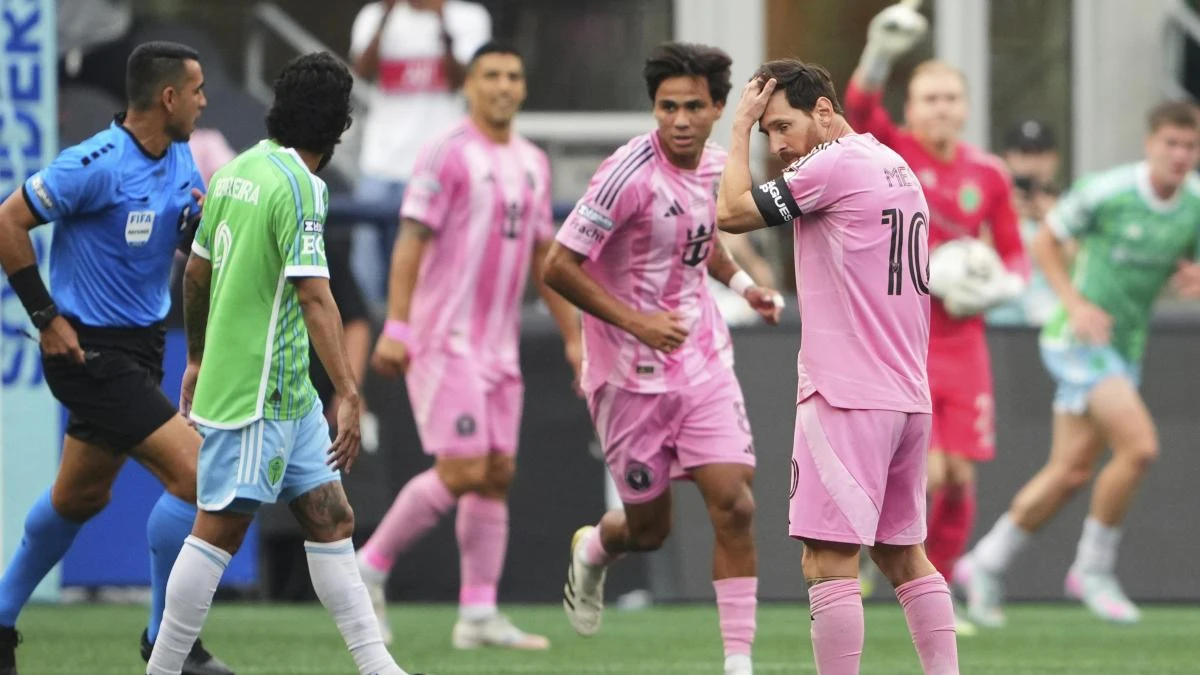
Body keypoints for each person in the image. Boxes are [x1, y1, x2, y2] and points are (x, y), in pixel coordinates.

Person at [145, 52, 412, 675]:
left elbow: (197, 272)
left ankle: (379, 669)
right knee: (220, 527)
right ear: (341, 126)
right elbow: (316, 296)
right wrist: (348, 390)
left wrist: (195, 358)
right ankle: (161, 668)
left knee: (332, 517)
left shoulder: (238, 170)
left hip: (285, 394)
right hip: (256, 393)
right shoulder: (301, 187)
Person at [546, 43, 784, 675]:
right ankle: (596, 548)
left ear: (714, 110)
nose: (679, 119)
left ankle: (738, 664)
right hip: (627, 375)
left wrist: (743, 288)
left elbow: (701, 245)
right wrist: (636, 323)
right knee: (650, 532)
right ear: (655, 108)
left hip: (702, 360)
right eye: (666, 107)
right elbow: (557, 267)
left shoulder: (714, 170)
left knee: (735, 504)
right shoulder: (626, 174)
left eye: (692, 107)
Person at [717, 58, 959, 675]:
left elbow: (731, 211)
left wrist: (738, 124)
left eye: (782, 125)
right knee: (904, 555)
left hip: (847, 395)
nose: (778, 143)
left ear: (824, 110)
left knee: (827, 562)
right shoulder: (894, 163)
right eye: (767, 131)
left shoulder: (834, 164)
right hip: (906, 395)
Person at [0, 42, 232, 675]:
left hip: (142, 346)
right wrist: (46, 318)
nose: (205, 100)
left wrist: (199, 227)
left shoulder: (181, 154)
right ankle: (168, 644)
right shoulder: (93, 164)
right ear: (168, 98)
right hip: (90, 353)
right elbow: (7, 221)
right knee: (197, 476)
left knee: (80, 496)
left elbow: (185, 225)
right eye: (199, 89)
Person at [356, 42, 580, 650]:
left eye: (513, 75)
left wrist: (573, 339)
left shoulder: (534, 161)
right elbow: (409, 239)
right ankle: (365, 571)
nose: (503, 85)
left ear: (524, 88)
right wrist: (397, 327)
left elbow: (544, 257)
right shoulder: (446, 152)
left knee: (496, 473)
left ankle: (478, 615)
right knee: (461, 467)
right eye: (491, 76)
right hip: (442, 338)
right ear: (470, 86)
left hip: (499, 346)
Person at [957, 101, 1200, 627]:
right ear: (1150, 145)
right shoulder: (1107, 191)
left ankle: (985, 562)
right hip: (1075, 339)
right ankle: (1092, 570)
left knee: (1069, 473)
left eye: (1190, 145)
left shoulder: (1194, 204)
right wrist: (1075, 302)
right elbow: (1046, 241)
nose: (1180, 155)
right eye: (1171, 144)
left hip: (1124, 347)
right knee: (1140, 448)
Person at [844, 1, 1029, 626]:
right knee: (927, 472)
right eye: (929, 98)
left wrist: (993, 290)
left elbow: (1015, 259)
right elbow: (858, 113)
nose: (941, 108)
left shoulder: (989, 175)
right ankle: (896, 570)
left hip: (965, 343)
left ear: (967, 106)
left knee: (959, 482)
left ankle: (936, 593)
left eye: (951, 97)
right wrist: (880, 55)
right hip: (905, 336)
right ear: (912, 106)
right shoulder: (890, 150)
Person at [349, 0, 492, 302]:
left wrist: (442, 22)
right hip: (381, 164)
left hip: (439, 165)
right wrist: (386, 16)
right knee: (368, 272)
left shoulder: (469, 17)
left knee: (436, 271)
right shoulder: (374, 14)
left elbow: (464, 80)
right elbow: (361, 71)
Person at [987, 119, 1062, 327]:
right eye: (1023, 153)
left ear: (1054, 159)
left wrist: (1053, 221)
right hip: (1002, 314)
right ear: (1007, 158)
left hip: (1051, 314)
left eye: (1039, 153)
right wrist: (1006, 217)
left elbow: (1079, 265)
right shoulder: (992, 202)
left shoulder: (1068, 207)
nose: (1031, 163)